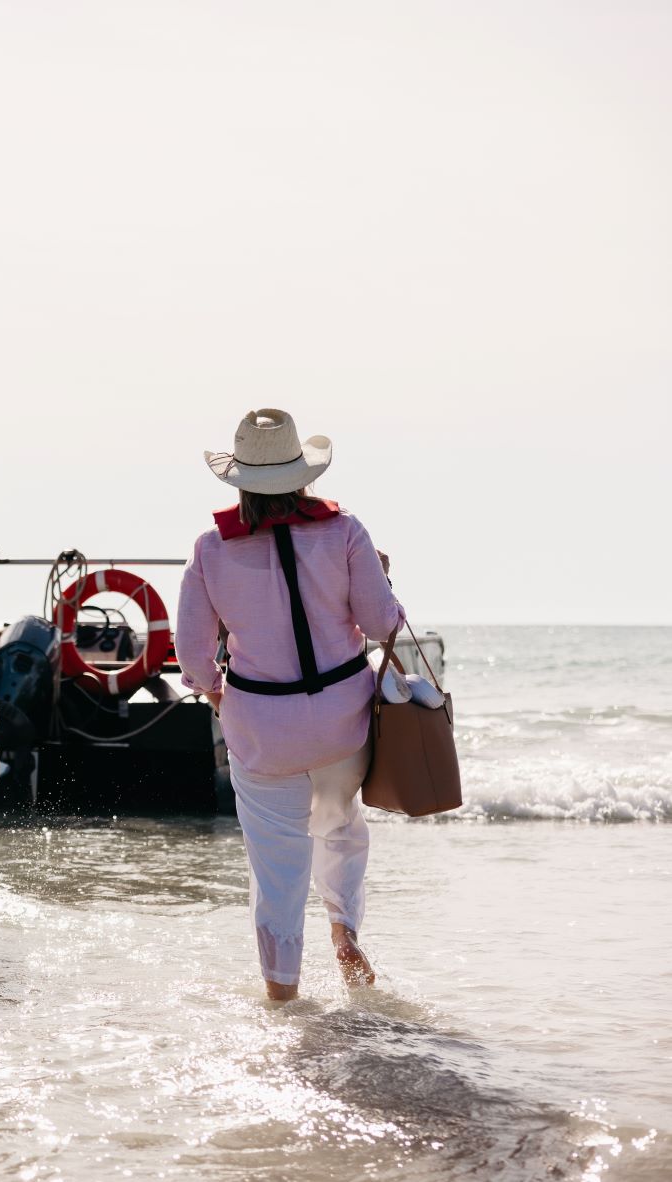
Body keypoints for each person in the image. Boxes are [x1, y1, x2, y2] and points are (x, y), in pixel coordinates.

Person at [175, 409, 404, 1002]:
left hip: (262, 730)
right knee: (341, 829)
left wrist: (217, 693)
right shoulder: (344, 530)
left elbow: (193, 655)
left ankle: (283, 995)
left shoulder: (209, 549)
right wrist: (381, 578)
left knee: (276, 867)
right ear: (302, 474)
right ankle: (344, 930)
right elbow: (382, 623)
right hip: (342, 725)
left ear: (240, 481)